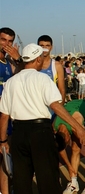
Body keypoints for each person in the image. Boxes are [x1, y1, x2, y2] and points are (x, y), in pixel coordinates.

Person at [0, 43, 85, 194]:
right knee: (48, 179)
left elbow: (4, 116)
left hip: (19, 132)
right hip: (40, 132)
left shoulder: (11, 82)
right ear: (38, 59)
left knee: (21, 180)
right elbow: (56, 106)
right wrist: (77, 126)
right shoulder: (43, 79)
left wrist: (3, 141)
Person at [54, 99, 85, 194]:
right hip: (73, 113)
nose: (68, 143)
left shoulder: (76, 128)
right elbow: (60, 148)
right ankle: (73, 182)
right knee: (75, 148)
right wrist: (69, 167)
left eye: (67, 142)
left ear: (68, 136)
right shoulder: (54, 127)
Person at [0, 27, 22, 194]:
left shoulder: (10, 63)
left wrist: (19, 59)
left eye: (9, 41)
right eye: (2, 40)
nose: (6, 44)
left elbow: (25, 77)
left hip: (6, 118)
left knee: (5, 159)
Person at [38, 35, 66, 104]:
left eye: (47, 45)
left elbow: (62, 89)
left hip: (51, 105)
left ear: (51, 47)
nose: (44, 48)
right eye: (42, 46)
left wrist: (60, 110)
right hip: (36, 105)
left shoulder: (56, 65)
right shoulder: (32, 64)